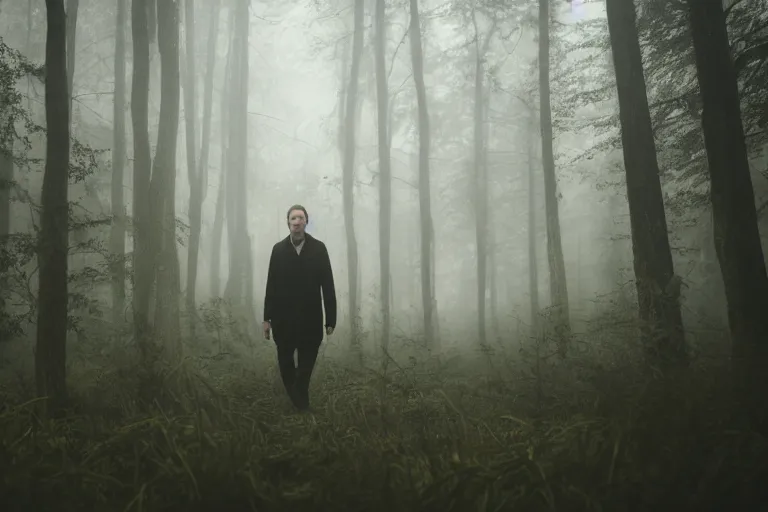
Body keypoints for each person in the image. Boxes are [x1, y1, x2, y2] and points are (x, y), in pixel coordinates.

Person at [263, 204, 337, 411]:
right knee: (286, 368)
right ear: (288, 222)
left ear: (306, 222)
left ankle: (301, 409)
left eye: (301, 218)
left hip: (310, 320)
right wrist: (266, 319)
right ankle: (302, 407)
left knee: (304, 370)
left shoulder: (319, 249)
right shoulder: (278, 250)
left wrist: (331, 319)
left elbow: (328, 284)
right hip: (283, 319)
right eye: (293, 218)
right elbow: (271, 285)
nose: (297, 221)